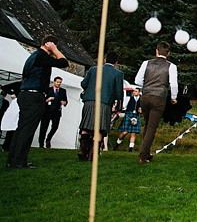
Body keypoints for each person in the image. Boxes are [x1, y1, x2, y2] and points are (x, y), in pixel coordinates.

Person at [6, 35, 68, 169]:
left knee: (21, 128)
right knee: (27, 129)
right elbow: (63, 62)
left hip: (25, 94)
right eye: (54, 46)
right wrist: (54, 49)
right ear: (48, 44)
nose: (55, 49)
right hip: (34, 96)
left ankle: (12, 159)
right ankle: (19, 161)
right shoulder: (41, 56)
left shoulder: (32, 57)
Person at [135, 41, 178, 164]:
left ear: (156, 51)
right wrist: (174, 97)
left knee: (147, 125)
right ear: (168, 53)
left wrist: (147, 87)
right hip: (159, 97)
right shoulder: (171, 66)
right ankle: (142, 155)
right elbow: (173, 84)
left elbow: (138, 80)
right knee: (152, 127)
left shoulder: (146, 63)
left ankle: (146, 152)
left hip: (146, 96)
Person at [78, 51, 125, 161]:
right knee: (99, 129)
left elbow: (83, 84)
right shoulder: (118, 74)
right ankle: (92, 154)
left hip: (90, 100)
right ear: (116, 62)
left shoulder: (93, 69)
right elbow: (119, 92)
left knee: (86, 126)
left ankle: (82, 149)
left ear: (105, 60)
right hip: (105, 102)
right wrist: (119, 106)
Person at [38, 76, 68, 148]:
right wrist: (47, 100)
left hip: (56, 111)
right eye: (57, 82)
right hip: (47, 111)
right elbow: (42, 100)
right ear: (54, 82)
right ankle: (41, 143)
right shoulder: (48, 90)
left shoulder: (63, 91)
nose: (58, 84)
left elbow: (66, 100)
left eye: (60, 82)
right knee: (43, 128)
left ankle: (48, 138)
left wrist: (64, 102)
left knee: (55, 126)